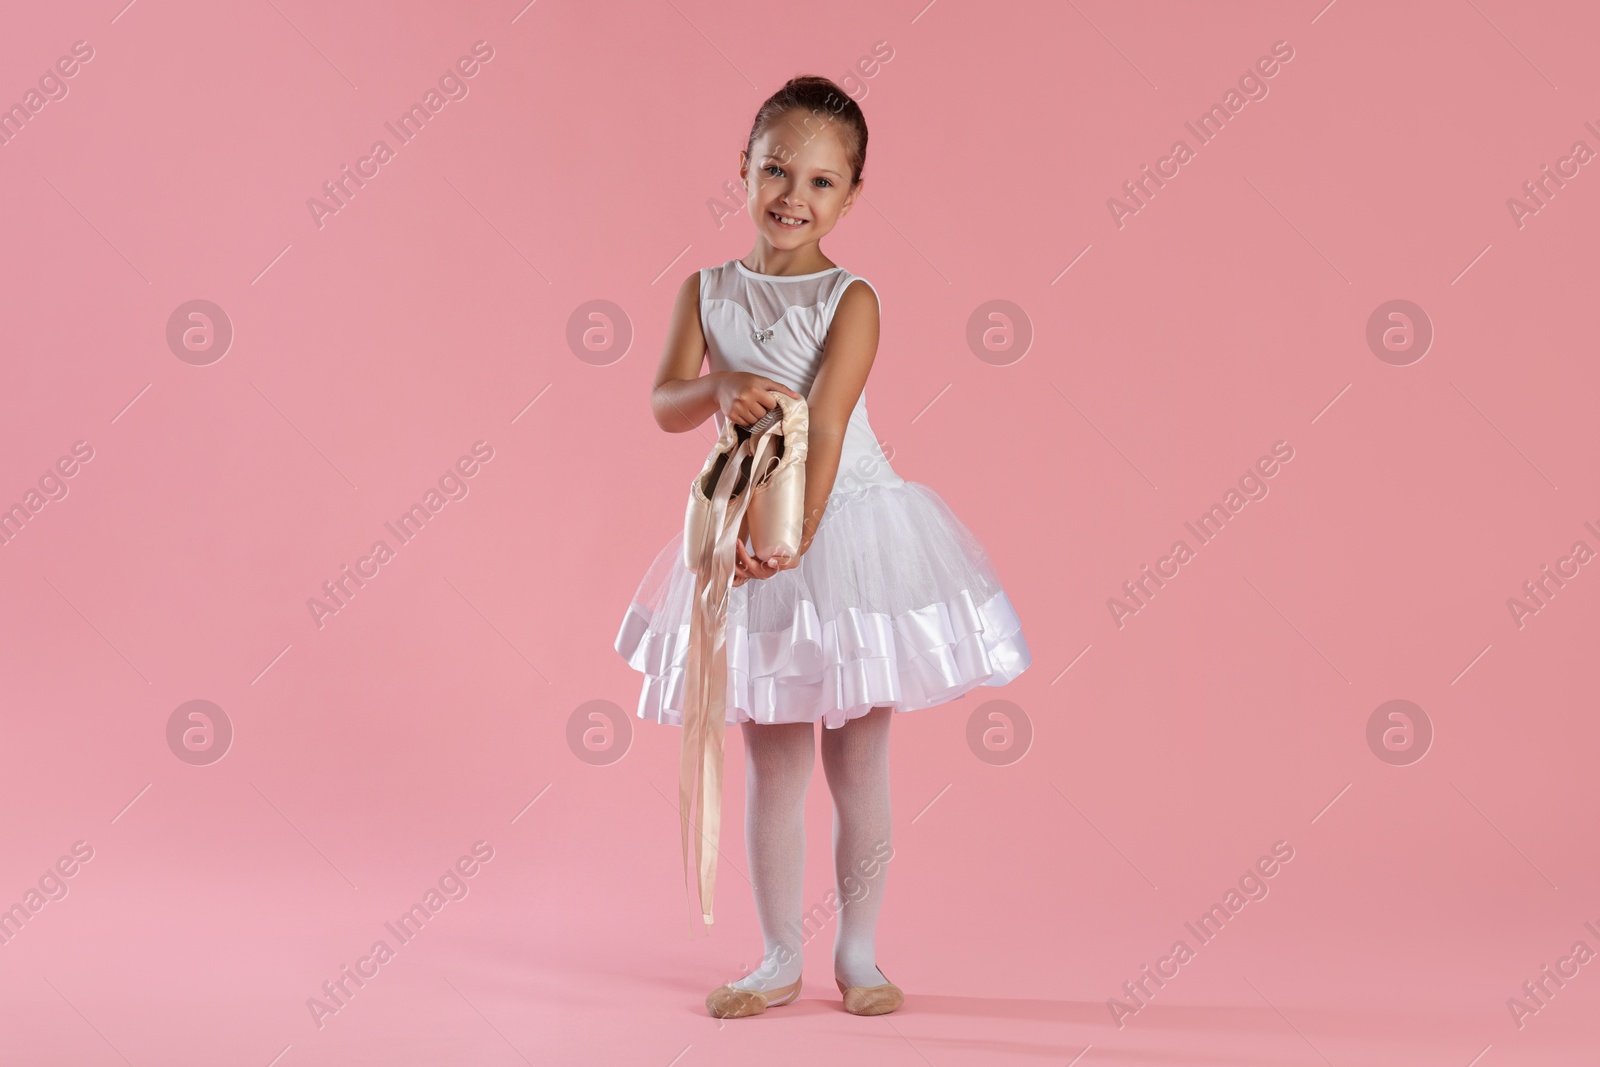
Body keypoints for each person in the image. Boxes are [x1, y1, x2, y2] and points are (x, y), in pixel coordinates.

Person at [613, 75, 1032, 1018]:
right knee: (774, 761)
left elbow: (829, 427)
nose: (792, 196)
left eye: (822, 181)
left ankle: (860, 952)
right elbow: (662, 402)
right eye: (775, 169)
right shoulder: (706, 291)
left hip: (849, 535)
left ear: (851, 194)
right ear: (745, 167)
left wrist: (802, 535)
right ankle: (772, 956)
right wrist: (719, 391)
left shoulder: (852, 297)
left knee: (859, 759)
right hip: (750, 538)